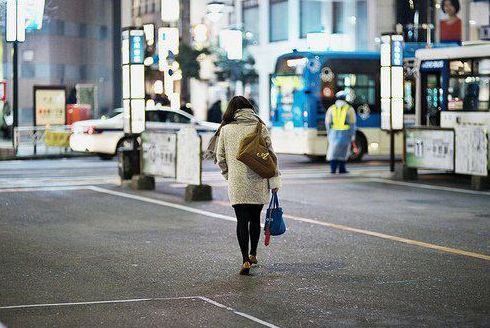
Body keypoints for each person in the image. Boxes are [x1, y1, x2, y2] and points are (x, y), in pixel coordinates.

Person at [216, 96, 281, 275]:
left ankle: (244, 260)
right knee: (255, 219)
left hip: (237, 183)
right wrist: (274, 181)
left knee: (241, 221)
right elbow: (271, 157)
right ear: (249, 108)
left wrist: (229, 175)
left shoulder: (226, 129)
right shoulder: (260, 127)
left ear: (232, 110)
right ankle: (253, 254)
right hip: (258, 181)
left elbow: (220, 157)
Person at [325, 90, 357, 174]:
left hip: (333, 133)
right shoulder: (349, 109)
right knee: (343, 152)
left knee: (333, 152)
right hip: (345, 134)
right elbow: (353, 123)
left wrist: (329, 133)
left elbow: (327, 123)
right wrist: (352, 135)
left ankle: (333, 169)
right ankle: (342, 169)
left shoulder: (331, 108)